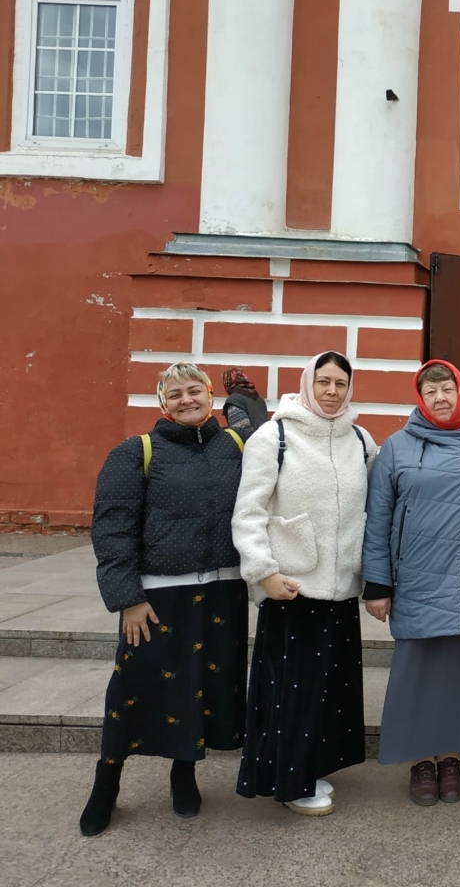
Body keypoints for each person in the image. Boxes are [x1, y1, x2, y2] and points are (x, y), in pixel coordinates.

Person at [79, 363, 249, 837]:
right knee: (132, 691)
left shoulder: (237, 446)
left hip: (223, 593)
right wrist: (127, 598)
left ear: (211, 395)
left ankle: (184, 774)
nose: (186, 399)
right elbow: (112, 528)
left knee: (204, 690)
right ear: (162, 403)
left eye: (194, 390)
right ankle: (107, 782)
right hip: (157, 598)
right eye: (175, 394)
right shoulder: (135, 452)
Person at [231, 351, 379, 816]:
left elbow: (374, 507)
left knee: (328, 688)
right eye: (323, 381)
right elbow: (249, 512)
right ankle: (290, 782)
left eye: (340, 383)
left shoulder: (360, 439)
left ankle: (309, 767)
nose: (331, 391)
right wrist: (263, 571)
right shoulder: (273, 436)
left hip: (341, 588)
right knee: (292, 692)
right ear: (307, 383)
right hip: (291, 587)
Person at [362, 360, 460, 805]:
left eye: (447, 389)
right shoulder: (397, 447)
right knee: (418, 677)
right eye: (430, 392)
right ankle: (420, 761)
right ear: (420, 398)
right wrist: (377, 584)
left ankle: (452, 758)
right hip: (417, 580)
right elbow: (378, 519)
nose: (440, 398)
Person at [221, 367, 269, 433]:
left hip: (252, 439)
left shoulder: (234, 399)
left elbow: (240, 431)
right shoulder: (259, 398)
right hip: (267, 438)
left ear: (227, 383)